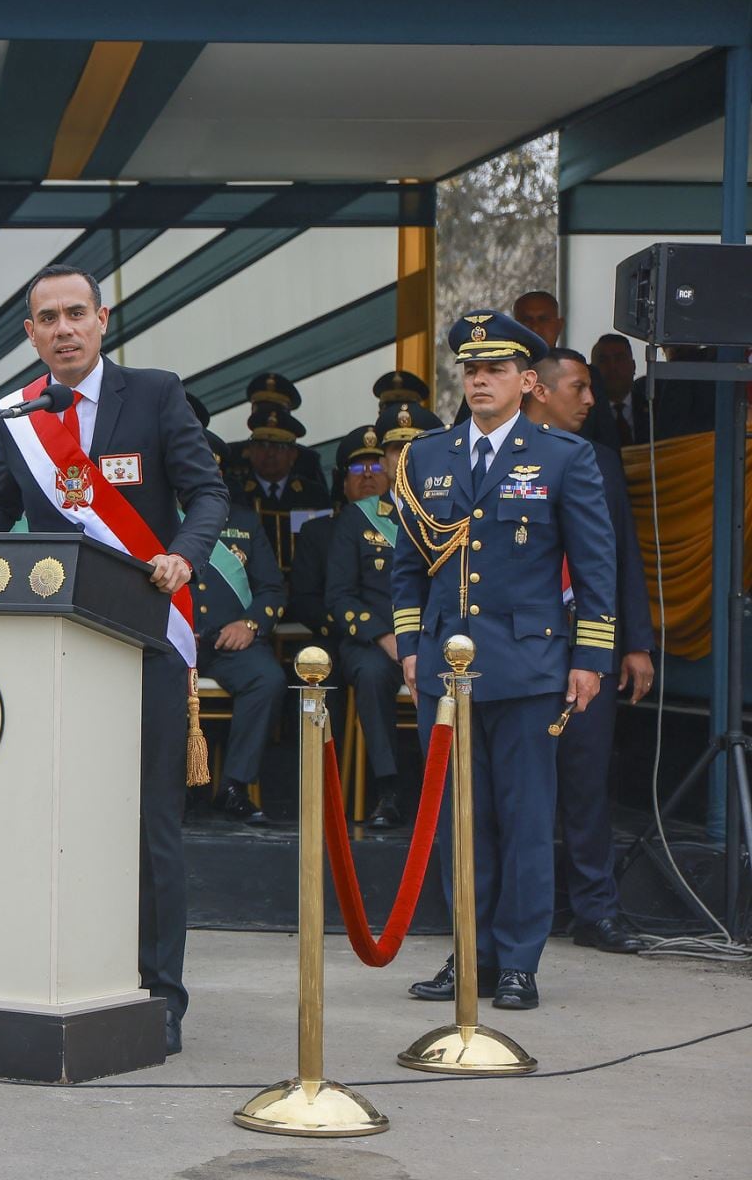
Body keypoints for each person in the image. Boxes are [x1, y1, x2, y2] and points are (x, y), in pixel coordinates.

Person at [0, 263, 228, 1055]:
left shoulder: (153, 393)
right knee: (55, 817)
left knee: (150, 823)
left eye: (76, 313)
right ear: (30, 334)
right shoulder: (19, 414)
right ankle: (65, 970)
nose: (63, 330)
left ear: (103, 319)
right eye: (47, 319)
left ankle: (161, 990)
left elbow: (208, 491)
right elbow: (0, 507)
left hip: (144, 635)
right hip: (54, 646)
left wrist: (185, 554)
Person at [391, 310, 617, 1012]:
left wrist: (592, 656)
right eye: (471, 369)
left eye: (495, 369)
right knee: (458, 820)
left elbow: (595, 563)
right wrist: (407, 645)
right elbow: (408, 564)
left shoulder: (564, 457)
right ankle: (472, 954)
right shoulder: (426, 456)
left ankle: (518, 960)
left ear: (527, 381)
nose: (480, 379)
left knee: (523, 818)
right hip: (443, 669)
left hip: (527, 665)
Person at [523, 348, 655, 954]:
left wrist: (636, 644)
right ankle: (517, 909)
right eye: (579, 386)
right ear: (541, 391)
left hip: (589, 641)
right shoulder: (501, 454)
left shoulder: (600, 459)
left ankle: (594, 910)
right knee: (518, 784)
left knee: (586, 776)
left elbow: (623, 555)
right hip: (519, 645)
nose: (591, 399)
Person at [325, 410, 441, 829]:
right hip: (374, 642)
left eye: (415, 447)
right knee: (373, 677)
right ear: (386, 459)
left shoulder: (450, 511)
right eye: (395, 449)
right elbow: (338, 597)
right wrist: (385, 636)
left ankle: (449, 790)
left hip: (437, 639)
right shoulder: (358, 517)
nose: (405, 456)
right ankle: (387, 789)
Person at [193, 431, 287, 826]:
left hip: (232, 642)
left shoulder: (245, 521)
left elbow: (273, 587)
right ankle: (159, 787)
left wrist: (251, 623)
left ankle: (234, 786)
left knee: (268, 679)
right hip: (177, 642)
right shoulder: (159, 519)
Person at [233, 405, 331, 571]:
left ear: (293, 454)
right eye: (262, 445)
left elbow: (323, 544)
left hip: (304, 585)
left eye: (278, 447)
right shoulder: (236, 492)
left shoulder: (314, 495)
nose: (270, 453)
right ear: (250, 450)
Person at [591, 333, 649, 447]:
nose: (612, 366)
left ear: (633, 366)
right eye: (603, 360)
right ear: (592, 371)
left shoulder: (653, 406)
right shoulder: (584, 413)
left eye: (619, 359)